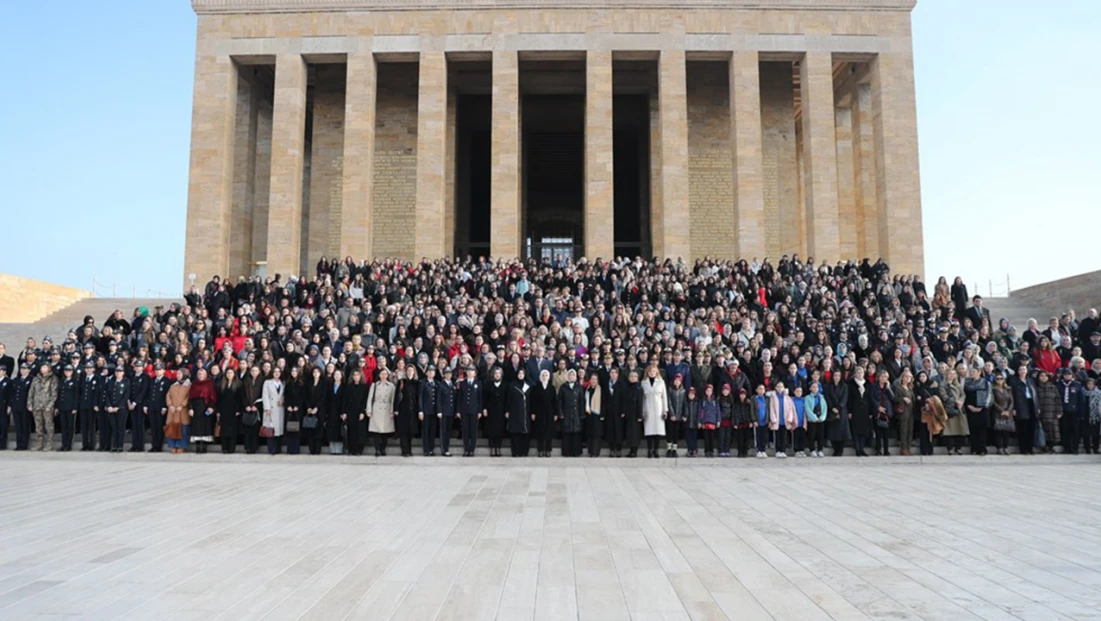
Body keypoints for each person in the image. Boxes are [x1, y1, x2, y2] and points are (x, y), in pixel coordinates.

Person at [27, 363, 58, 451]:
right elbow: (31, 392)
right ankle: (39, 444)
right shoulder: (36, 378)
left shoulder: (53, 379)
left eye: (45, 367)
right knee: (38, 426)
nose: (43, 369)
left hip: (47, 406)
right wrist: (30, 403)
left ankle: (49, 444)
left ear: (49, 368)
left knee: (48, 426)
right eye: (42, 367)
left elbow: (54, 394)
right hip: (37, 405)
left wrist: (50, 405)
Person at [367, 367, 397, 456]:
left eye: (385, 374)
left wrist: (392, 411)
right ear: (379, 375)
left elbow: (392, 400)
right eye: (382, 374)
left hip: (387, 409)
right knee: (377, 431)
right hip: (376, 408)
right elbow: (370, 398)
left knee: (385, 431)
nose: (384, 376)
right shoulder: (375, 385)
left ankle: (383, 448)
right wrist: (369, 410)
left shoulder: (391, 386)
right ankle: (377, 449)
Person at [938, 368, 969, 456]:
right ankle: (950, 448)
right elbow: (943, 396)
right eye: (950, 374)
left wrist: (961, 401)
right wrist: (955, 401)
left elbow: (963, 394)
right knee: (949, 430)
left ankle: (958, 448)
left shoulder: (958, 385)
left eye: (953, 374)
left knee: (960, 429)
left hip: (959, 409)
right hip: (949, 410)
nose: (952, 376)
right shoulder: (943, 385)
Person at [1056, 368, 1085, 454]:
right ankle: (1066, 448)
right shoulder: (1059, 385)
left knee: (1075, 430)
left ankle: (1074, 448)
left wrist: (1081, 412)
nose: (1067, 376)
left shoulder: (1077, 385)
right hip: (1063, 411)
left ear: (1072, 375)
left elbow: (1081, 400)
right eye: (1065, 374)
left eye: (1069, 374)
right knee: (1065, 430)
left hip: (1074, 411)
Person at [188, 367, 217, 454]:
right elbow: (190, 398)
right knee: (196, 427)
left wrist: (211, 407)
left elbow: (213, 397)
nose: (201, 376)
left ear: (206, 375)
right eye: (199, 374)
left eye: (202, 374)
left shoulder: (210, 384)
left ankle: (204, 447)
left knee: (205, 427)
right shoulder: (194, 384)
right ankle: (198, 446)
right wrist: (190, 408)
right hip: (196, 408)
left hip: (206, 407)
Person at [102, 364, 130, 453]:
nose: (118, 373)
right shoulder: (110, 382)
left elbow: (126, 396)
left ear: (123, 373)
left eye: (120, 371)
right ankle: (114, 445)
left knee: (120, 428)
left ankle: (120, 445)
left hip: (121, 408)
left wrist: (118, 407)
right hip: (111, 408)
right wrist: (109, 405)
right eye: (117, 371)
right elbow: (107, 395)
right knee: (114, 428)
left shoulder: (126, 382)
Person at [641, 365, 668, 458]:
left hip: (659, 408)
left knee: (658, 431)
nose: (652, 373)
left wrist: (665, 410)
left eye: (653, 371)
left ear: (656, 372)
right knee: (649, 431)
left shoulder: (661, 382)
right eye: (650, 371)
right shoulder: (643, 383)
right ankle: (650, 450)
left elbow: (664, 397)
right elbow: (643, 398)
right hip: (648, 407)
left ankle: (656, 450)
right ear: (647, 373)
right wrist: (643, 411)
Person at [963, 366, 990, 456]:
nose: (972, 373)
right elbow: (964, 395)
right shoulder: (967, 383)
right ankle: (974, 448)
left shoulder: (985, 382)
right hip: (970, 408)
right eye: (971, 372)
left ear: (979, 372)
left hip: (982, 409)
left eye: (974, 371)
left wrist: (983, 406)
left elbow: (989, 395)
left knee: (982, 429)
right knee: (973, 429)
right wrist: (968, 406)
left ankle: (982, 448)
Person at [557, 369, 584, 457]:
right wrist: (560, 413)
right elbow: (559, 401)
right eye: (570, 375)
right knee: (567, 432)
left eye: (573, 375)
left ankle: (576, 452)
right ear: (567, 376)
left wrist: (582, 414)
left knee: (576, 433)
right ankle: (566, 452)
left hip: (576, 413)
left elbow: (581, 401)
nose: (571, 376)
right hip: (566, 413)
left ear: (575, 377)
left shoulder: (579, 387)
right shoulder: (563, 387)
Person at [456, 366, 482, 457]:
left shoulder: (478, 383)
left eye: (472, 371)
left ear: (475, 373)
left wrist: (479, 411)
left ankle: (472, 450)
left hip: (474, 410)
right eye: (469, 371)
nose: (470, 372)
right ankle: (466, 449)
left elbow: (480, 398)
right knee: (465, 430)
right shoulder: (462, 383)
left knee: (473, 430)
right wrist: (458, 410)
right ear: (466, 373)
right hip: (464, 410)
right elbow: (459, 398)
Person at [165, 368, 192, 454]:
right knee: (172, 428)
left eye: (179, 374)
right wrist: (170, 405)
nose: (177, 376)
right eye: (177, 374)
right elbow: (168, 395)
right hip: (173, 411)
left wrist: (182, 405)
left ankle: (181, 446)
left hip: (182, 411)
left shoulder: (189, 386)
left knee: (183, 429)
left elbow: (188, 397)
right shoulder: (173, 385)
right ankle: (173, 445)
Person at [531, 369, 556, 457]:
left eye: (546, 375)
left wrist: (555, 413)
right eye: (543, 375)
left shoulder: (552, 388)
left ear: (549, 377)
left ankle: (548, 450)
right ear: (540, 377)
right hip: (539, 411)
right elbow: (533, 401)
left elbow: (554, 401)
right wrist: (533, 412)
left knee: (549, 431)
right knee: (540, 431)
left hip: (549, 411)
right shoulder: (535, 387)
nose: (544, 377)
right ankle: (540, 450)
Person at [146, 362, 171, 452]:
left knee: (160, 427)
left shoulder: (166, 381)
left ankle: (159, 446)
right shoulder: (152, 380)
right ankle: (154, 445)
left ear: (163, 371)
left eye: (159, 370)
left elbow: (167, 395)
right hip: (152, 407)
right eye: (156, 370)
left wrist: (164, 406)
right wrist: (146, 405)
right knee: (153, 427)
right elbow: (148, 394)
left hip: (161, 408)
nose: (157, 371)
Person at [506, 367, 531, 456]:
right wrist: (507, 410)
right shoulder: (512, 385)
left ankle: (524, 451)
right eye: (519, 373)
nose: (521, 375)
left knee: (525, 432)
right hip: (514, 411)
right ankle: (515, 452)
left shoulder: (528, 385)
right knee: (515, 432)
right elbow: (508, 399)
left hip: (525, 411)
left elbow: (531, 400)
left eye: (522, 374)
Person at [396, 366, 420, 457]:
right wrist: (396, 409)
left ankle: (409, 449)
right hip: (403, 409)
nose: (410, 372)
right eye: (408, 370)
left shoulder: (416, 383)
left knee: (411, 431)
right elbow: (397, 396)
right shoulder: (401, 382)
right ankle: (404, 450)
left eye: (411, 370)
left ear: (414, 372)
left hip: (413, 410)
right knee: (403, 431)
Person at [848, 366, 872, 457]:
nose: (860, 374)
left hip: (865, 410)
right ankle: (857, 449)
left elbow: (869, 398)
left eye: (861, 372)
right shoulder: (851, 384)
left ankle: (862, 448)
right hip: (855, 408)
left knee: (864, 430)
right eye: (858, 372)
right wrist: (849, 411)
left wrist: (870, 411)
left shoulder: (868, 383)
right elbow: (849, 398)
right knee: (856, 430)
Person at [217, 367, 242, 454]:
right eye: (228, 373)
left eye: (231, 373)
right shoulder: (222, 384)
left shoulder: (238, 384)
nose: (229, 375)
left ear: (234, 374)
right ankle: (224, 447)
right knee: (224, 430)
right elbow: (219, 399)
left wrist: (238, 409)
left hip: (234, 410)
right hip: (224, 410)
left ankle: (231, 448)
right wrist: (218, 411)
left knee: (233, 430)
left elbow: (240, 398)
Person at [261, 366, 286, 455]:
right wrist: (267, 408)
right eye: (275, 372)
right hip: (271, 408)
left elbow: (284, 395)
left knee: (278, 430)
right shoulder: (267, 383)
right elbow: (265, 396)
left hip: (280, 408)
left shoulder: (283, 383)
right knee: (270, 429)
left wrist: (283, 400)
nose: (276, 373)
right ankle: (271, 449)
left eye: (278, 372)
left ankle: (278, 448)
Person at [303, 366, 327, 455]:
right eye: (314, 372)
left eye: (317, 372)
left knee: (319, 430)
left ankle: (317, 449)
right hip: (309, 410)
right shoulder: (308, 383)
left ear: (320, 373)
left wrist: (317, 407)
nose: (315, 373)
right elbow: (306, 396)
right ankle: (311, 449)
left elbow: (324, 397)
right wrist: (309, 407)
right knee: (310, 429)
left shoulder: (324, 383)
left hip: (319, 410)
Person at [768, 381, 796, 459]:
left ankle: (783, 451)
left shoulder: (787, 397)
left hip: (785, 420)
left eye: (781, 386)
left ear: (784, 388)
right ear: (775, 388)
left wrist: (790, 418)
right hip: (777, 420)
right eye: (778, 386)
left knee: (784, 436)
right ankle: (777, 451)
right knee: (777, 436)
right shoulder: (773, 397)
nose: (780, 388)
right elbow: (771, 408)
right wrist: (773, 418)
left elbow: (790, 408)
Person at [483, 366, 507, 457]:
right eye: (496, 373)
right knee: (491, 430)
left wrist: (507, 410)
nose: (497, 375)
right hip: (491, 410)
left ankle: (498, 448)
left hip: (501, 410)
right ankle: (492, 448)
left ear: (501, 375)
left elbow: (508, 399)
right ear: (493, 375)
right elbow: (484, 398)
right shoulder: (488, 385)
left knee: (499, 430)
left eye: (499, 373)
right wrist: (484, 408)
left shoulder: (505, 385)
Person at [1035, 370, 1061, 453]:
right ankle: (1044, 446)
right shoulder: (1036, 387)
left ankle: (1051, 446)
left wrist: (1059, 411)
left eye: (1045, 376)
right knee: (1043, 430)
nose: (1043, 377)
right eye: (1041, 376)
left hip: (1052, 412)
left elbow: (1058, 400)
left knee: (1052, 431)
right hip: (1041, 412)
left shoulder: (1053, 387)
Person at [989, 373, 1015, 455]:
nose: (999, 380)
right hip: (998, 412)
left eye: (1001, 378)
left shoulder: (1008, 389)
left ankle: (1006, 447)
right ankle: (999, 447)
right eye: (997, 379)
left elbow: (1011, 401)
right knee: (998, 431)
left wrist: (1008, 410)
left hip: (1008, 412)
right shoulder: (993, 389)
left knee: (1006, 431)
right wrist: (1001, 411)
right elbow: (993, 401)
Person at [127, 359, 150, 452]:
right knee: (134, 425)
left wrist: (135, 402)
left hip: (140, 404)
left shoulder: (145, 377)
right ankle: (134, 445)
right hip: (131, 404)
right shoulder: (131, 376)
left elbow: (143, 391)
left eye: (139, 366)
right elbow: (128, 389)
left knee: (140, 425)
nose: (137, 368)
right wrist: (129, 402)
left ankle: (140, 445)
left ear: (142, 367)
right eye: (136, 366)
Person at [77, 361, 101, 451]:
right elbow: (80, 392)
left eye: (90, 368)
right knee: (84, 426)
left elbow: (97, 393)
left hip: (92, 406)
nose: (88, 370)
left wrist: (95, 404)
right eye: (87, 368)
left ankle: (92, 444)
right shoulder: (83, 379)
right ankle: (85, 444)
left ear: (93, 369)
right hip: (83, 405)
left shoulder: (96, 379)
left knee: (91, 426)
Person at [825, 371, 850, 456]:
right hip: (831, 411)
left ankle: (840, 450)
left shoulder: (845, 386)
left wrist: (838, 407)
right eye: (835, 375)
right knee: (833, 432)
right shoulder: (828, 386)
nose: (837, 377)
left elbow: (844, 398)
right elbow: (827, 397)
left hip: (841, 411)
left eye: (838, 375)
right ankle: (835, 449)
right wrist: (832, 408)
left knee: (842, 432)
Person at [241, 364, 265, 455]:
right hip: (247, 408)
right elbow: (242, 395)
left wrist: (257, 406)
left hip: (257, 409)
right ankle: (247, 447)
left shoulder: (262, 381)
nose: (254, 372)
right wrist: (246, 405)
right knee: (247, 429)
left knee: (255, 429)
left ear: (259, 372)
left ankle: (254, 447)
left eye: (256, 371)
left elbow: (263, 395)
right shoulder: (246, 380)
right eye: (252, 371)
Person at [891, 370, 915, 456]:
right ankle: (903, 448)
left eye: (910, 377)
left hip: (911, 411)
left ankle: (908, 448)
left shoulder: (910, 387)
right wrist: (903, 399)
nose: (908, 378)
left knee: (910, 430)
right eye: (906, 376)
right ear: (902, 377)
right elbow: (894, 398)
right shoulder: (898, 387)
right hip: (903, 411)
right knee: (903, 430)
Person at [56, 365, 79, 451]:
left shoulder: (75, 382)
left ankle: (69, 445)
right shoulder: (62, 381)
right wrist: (57, 406)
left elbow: (76, 396)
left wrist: (75, 407)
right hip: (62, 406)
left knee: (70, 427)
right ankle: (64, 444)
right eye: (66, 371)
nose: (67, 372)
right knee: (64, 426)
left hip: (70, 407)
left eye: (69, 371)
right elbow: (59, 395)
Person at [870, 372, 894, 456]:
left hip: (887, 412)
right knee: (878, 433)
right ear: (878, 377)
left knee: (886, 433)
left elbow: (892, 398)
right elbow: (871, 398)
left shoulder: (888, 387)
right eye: (882, 376)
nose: (883, 378)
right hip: (877, 412)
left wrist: (888, 388)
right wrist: (878, 407)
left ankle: (886, 450)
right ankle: (878, 450)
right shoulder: (874, 386)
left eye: (885, 377)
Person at [602, 367, 624, 457]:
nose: (613, 374)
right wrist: (603, 412)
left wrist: (623, 411)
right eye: (612, 372)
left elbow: (623, 399)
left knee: (619, 430)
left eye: (615, 373)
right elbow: (603, 400)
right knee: (610, 430)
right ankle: (612, 449)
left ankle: (618, 449)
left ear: (618, 374)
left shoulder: (621, 384)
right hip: (609, 411)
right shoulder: (606, 384)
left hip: (619, 411)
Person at [283, 365, 304, 455]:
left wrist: (297, 406)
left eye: (296, 371)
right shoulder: (288, 383)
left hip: (298, 409)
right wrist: (288, 405)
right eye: (292, 371)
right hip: (289, 408)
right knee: (289, 428)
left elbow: (303, 396)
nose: (294, 373)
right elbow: (286, 395)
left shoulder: (302, 384)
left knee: (297, 429)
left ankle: (296, 449)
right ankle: (290, 448)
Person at [436, 366, 457, 456]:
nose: (448, 375)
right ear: (444, 375)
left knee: (448, 431)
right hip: (444, 411)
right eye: (447, 373)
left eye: (450, 373)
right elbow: (438, 399)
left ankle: (447, 448)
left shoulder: (453, 384)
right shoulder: (441, 385)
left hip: (451, 411)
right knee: (443, 431)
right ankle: (444, 450)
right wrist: (439, 411)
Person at [804, 381, 828, 458]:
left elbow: (824, 408)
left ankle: (820, 450)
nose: (815, 388)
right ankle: (812, 450)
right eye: (813, 387)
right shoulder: (807, 398)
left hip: (820, 419)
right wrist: (814, 418)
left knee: (820, 435)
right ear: (810, 388)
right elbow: (807, 409)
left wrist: (822, 417)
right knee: (812, 435)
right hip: (812, 420)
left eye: (816, 387)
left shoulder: (821, 397)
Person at [665, 373, 686, 458]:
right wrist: (672, 414)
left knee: (676, 433)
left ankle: (674, 449)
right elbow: (669, 402)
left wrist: (685, 414)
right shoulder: (670, 390)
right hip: (672, 416)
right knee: (670, 432)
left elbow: (685, 404)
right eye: (676, 380)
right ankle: (669, 449)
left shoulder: (683, 391)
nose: (677, 382)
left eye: (679, 380)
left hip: (679, 415)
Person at [584, 372, 603, 457]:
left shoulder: (600, 389)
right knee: (590, 433)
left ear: (597, 380)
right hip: (589, 414)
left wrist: (602, 414)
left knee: (596, 434)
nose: (593, 380)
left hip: (597, 414)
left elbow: (603, 403)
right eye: (592, 379)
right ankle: (590, 451)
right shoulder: (587, 389)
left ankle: (595, 452)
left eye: (595, 379)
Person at [698, 384, 720, 457]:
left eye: (710, 391)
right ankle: (707, 451)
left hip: (712, 421)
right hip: (705, 421)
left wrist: (718, 420)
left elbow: (718, 411)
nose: (709, 392)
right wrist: (700, 421)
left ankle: (711, 451)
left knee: (711, 437)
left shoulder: (715, 401)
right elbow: (700, 412)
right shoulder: (702, 401)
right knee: (706, 437)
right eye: (707, 390)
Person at [1084, 377, 1101, 455]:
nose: (1090, 385)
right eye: (1088, 384)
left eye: (1092, 384)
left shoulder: (1099, 393)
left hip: (1095, 416)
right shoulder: (1083, 392)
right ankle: (1087, 449)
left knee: (1096, 434)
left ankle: (1095, 448)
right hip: (1085, 414)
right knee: (1086, 433)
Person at [684, 386, 699, 457]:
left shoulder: (697, 403)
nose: (691, 396)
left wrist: (699, 421)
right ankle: (690, 449)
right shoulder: (686, 403)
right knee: (688, 438)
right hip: (688, 423)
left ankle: (694, 450)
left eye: (692, 394)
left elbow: (699, 413)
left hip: (695, 423)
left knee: (694, 438)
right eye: (690, 394)